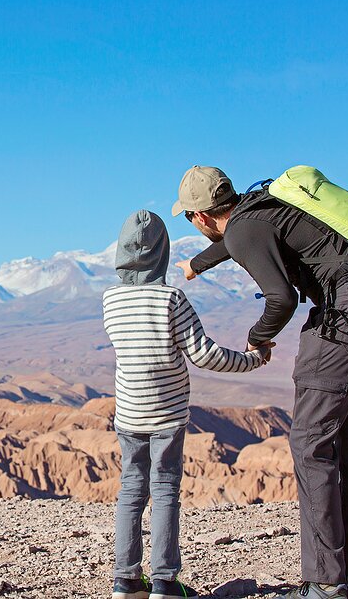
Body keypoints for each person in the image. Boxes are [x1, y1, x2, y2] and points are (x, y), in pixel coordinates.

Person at [171, 166, 348, 599]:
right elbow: (243, 241)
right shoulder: (266, 207)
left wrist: (258, 338)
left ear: (201, 217)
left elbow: (279, 298)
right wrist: (198, 265)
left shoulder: (244, 229)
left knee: (310, 443)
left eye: (189, 219)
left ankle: (325, 583)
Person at [105, 209, 271, 599]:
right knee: (164, 491)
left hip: (129, 415)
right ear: (162, 252)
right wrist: (254, 358)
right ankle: (164, 581)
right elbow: (204, 355)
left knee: (131, 490)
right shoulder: (170, 299)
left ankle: (125, 580)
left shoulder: (110, 301)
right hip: (167, 416)